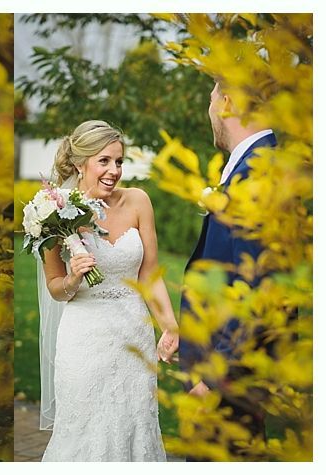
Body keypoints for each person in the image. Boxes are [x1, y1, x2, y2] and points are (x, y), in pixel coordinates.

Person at [36, 120, 179, 461]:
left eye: (119, 161)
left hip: (134, 336)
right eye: (104, 161)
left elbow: (150, 274)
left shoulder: (138, 201)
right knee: (85, 432)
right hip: (84, 339)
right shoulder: (52, 212)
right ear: (79, 164)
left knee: (137, 427)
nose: (114, 171)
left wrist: (170, 326)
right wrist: (73, 279)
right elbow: (56, 287)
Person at [179, 80, 277, 458]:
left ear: (227, 103)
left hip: (229, 384)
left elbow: (258, 291)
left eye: (210, 101)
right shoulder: (251, 167)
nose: (209, 112)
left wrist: (212, 381)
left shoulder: (256, 175)